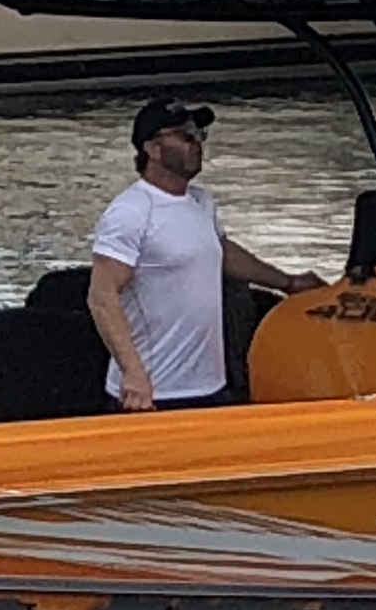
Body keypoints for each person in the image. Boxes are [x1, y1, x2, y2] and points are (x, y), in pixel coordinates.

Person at [86, 97, 319, 410]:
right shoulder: (131, 211)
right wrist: (133, 373)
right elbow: (102, 297)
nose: (197, 143)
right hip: (153, 393)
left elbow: (223, 252)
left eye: (199, 134)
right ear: (152, 149)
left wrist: (287, 282)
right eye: (185, 136)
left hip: (211, 386)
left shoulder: (201, 202)